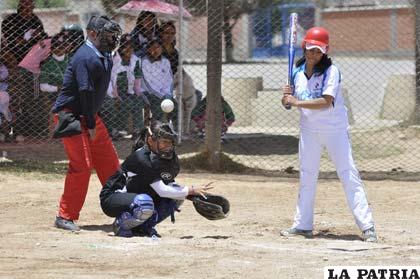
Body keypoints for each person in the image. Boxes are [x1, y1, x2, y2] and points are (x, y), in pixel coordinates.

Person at [280, 27, 377, 242]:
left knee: (348, 174)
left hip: (334, 130)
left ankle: (367, 226)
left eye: (318, 50)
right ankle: (303, 225)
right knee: (307, 176)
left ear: (325, 51)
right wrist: (286, 97)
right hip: (308, 131)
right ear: (304, 47)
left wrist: (295, 101)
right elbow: (290, 103)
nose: (313, 54)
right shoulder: (296, 72)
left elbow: (326, 101)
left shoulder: (332, 71)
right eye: (310, 49)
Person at [52, 15, 122, 231]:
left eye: (114, 35)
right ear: (92, 34)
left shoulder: (104, 54)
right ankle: (65, 216)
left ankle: (125, 209)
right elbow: (85, 90)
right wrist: (90, 123)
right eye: (107, 35)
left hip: (89, 114)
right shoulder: (85, 56)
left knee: (110, 165)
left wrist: (91, 119)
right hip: (70, 115)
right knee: (81, 166)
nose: (112, 39)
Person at [100, 120, 214, 237]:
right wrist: (190, 190)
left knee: (176, 197)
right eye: (164, 142)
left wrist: (193, 196)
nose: (168, 146)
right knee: (144, 203)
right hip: (113, 197)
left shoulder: (168, 158)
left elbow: (169, 186)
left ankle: (143, 227)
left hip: (135, 194)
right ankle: (121, 224)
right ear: (150, 140)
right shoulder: (141, 158)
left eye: (170, 142)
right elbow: (161, 190)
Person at [107, 34, 144, 138]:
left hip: (129, 91)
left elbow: (137, 81)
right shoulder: (113, 59)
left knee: (137, 101)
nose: (128, 49)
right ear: (120, 47)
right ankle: (118, 129)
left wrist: (138, 94)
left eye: (131, 46)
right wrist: (115, 95)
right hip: (113, 91)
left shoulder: (136, 60)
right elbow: (109, 79)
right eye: (125, 46)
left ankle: (138, 130)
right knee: (126, 102)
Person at [137, 39, 175, 123]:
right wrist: (160, 95)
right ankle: (158, 126)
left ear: (161, 49)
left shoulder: (165, 61)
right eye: (152, 47)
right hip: (148, 92)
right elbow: (147, 83)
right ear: (148, 49)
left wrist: (168, 94)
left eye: (158, 47)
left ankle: (173, 128)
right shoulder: (143, 62)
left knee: (175, 104)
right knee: (157, 104)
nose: (155, 50)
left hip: (164, 92)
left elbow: (169, 80)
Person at [39, 32, 70, 136]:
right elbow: (43, 87)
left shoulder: (72, 61)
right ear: (52, 48)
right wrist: (58, 88)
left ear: (67, 46)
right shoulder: (47, 64)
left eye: (63, 45)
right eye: (57, 45)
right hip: (55, 93)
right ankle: (54, 133)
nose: (60, 48)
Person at [1, 0, 47, 65]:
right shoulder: (10, 20)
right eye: (26, 8)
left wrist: (39, 37)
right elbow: (14, 41)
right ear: (20, 6)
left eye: (31, 7)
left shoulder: (35, 20)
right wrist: (32, 38)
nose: (29, 11)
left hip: (33, 53)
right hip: (14, 53)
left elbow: (42, 37)